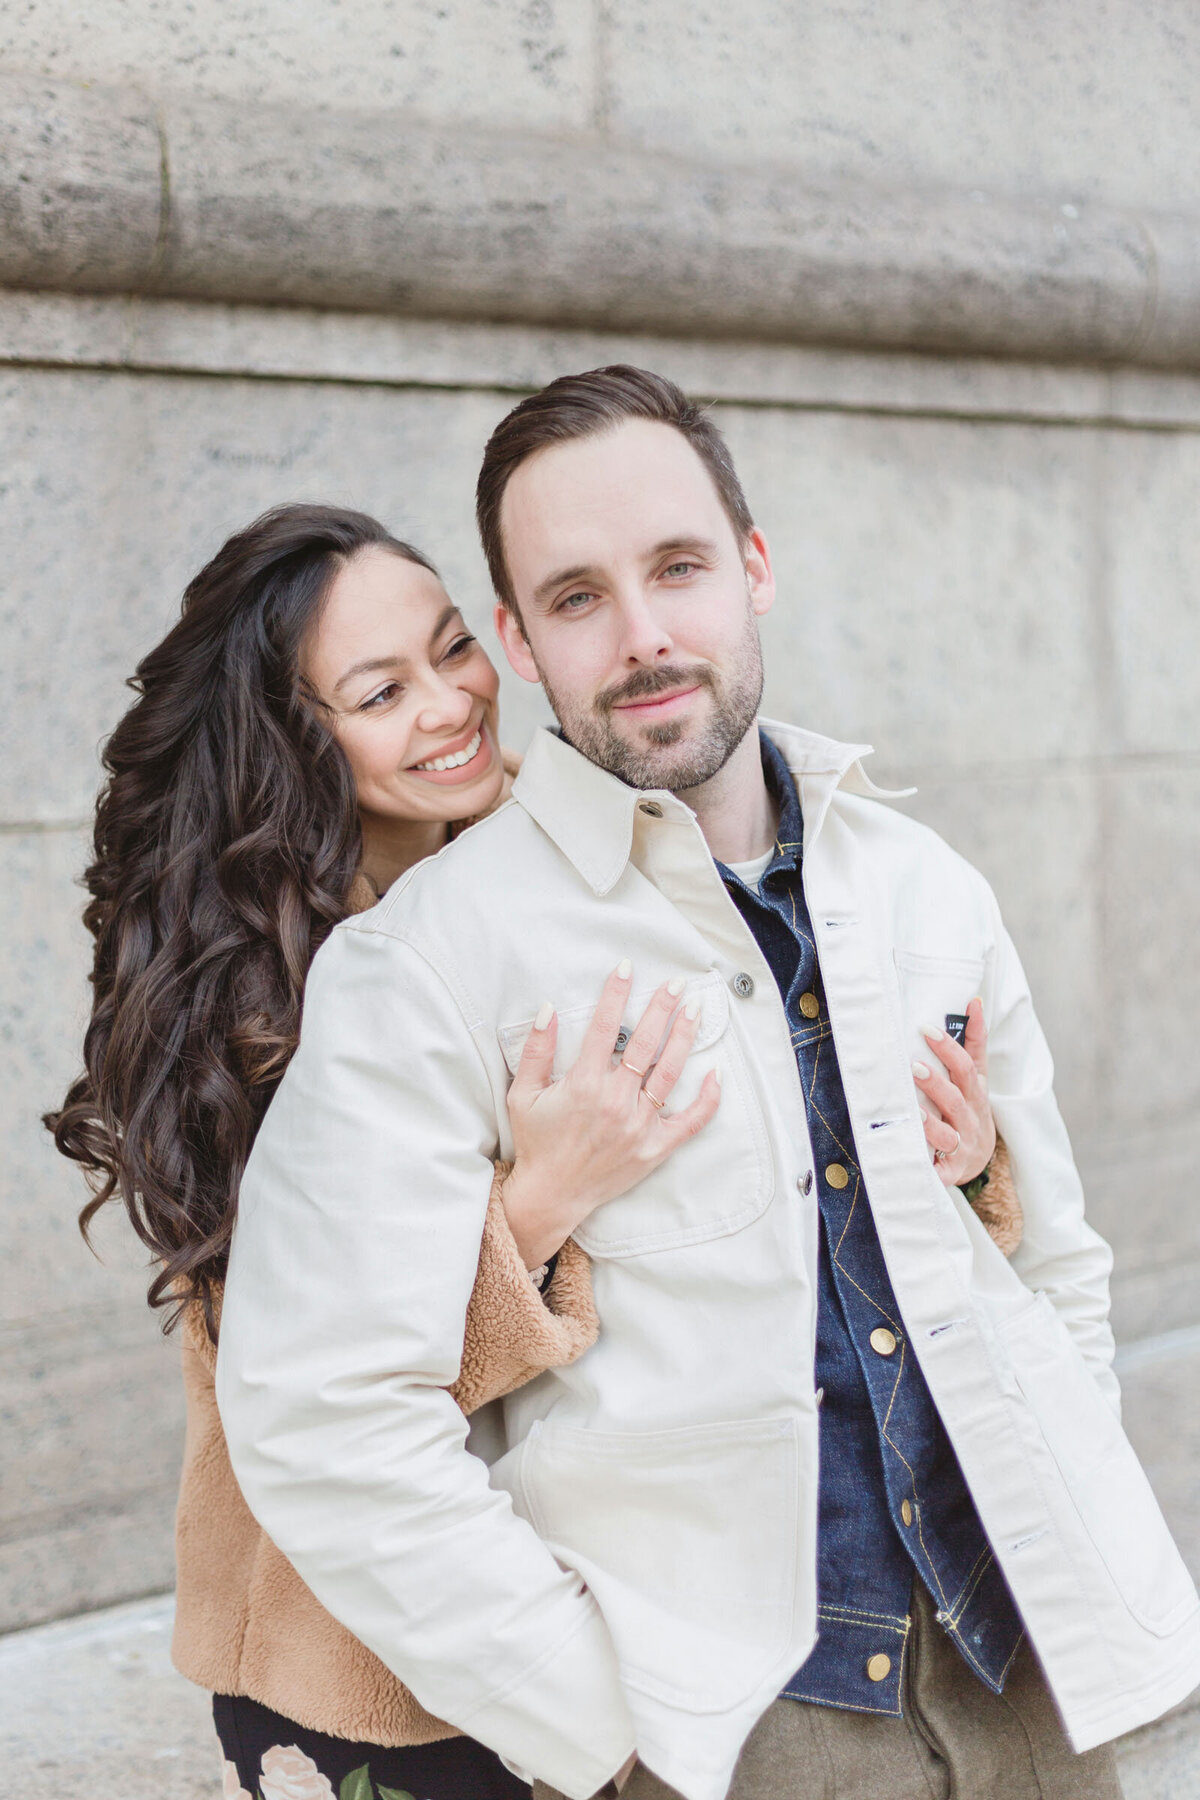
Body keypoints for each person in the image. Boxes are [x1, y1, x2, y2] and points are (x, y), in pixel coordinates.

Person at [216, 367, 1199, 1800]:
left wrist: (1072, 1502)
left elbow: (1052, 1261)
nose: (643, 635)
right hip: (737, 1731)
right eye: (575, 598)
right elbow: (324, 1414)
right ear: (521, 643)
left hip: (1029, 1682)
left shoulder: (927, 889)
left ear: (753, 566)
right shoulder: (427, 961)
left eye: (677, 567)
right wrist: (598, 1725)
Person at [46, 503, 727, 1800]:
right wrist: (539, 1202)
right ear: (291, 739)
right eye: (379, 691)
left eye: (454, 647)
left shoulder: (559, 854)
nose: (450, 702)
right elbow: (323, 1388)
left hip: (589, 1581)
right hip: (360, 1668)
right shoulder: (254, 1006)